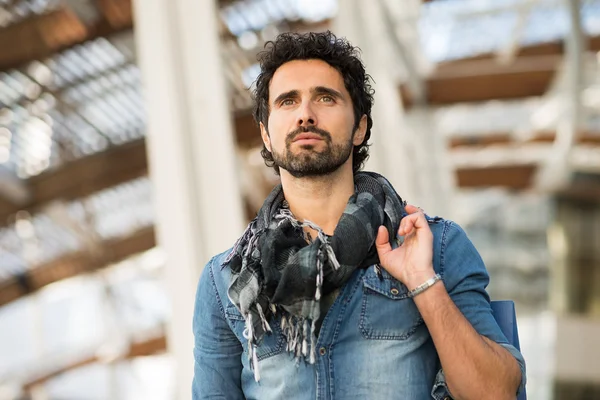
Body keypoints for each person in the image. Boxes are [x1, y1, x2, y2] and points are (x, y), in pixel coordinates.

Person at [192, 31, 526, 400]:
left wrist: (423, 282)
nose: (305, 114)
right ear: (266, 136)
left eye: (325, 97)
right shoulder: (227, 282)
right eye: (288, 101)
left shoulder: (435, 247)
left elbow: (496, 392)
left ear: (360, 127)